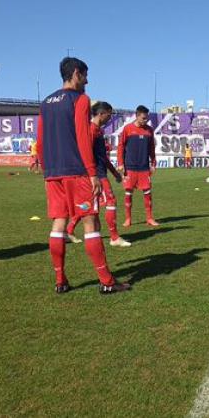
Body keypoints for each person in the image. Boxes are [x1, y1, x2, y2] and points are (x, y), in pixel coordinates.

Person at [36, 57, 131, 294]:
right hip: (77, 172)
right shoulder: (80, 99)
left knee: (59, 222)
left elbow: (40, 138)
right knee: (91, 221)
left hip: (53, 173)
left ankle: (60, 281)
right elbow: (81, 136)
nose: (87, 81)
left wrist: (45, 167)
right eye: (86, 75)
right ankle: (107, 282)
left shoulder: (46, 102)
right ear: (76, 73)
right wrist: (92, 174)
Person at [65, 101, 131, 248]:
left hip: (96, 173)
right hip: (95, 174)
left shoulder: (98, 131)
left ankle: (69, 231)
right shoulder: (91, 131)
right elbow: (84, 153)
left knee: (88, 204)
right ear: (101, 114)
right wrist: (91, 174)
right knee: (111, 201)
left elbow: (102, 157)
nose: (111, 117)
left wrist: (114, 173)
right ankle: (114, 237)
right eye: (109, 114)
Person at [118, 105, 158, 227]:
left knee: (147, 193)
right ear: (137, 116)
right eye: (143, 118)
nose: (145, 120)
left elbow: (151, 148)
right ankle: (128, 219)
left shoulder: (149, 130)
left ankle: (150, 218)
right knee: (128, 192)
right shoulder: (127, 129)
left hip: (144, 168)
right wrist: (120, 163)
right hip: (130, 167)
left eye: (147, 118)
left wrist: (153, 163)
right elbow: (121, 147)